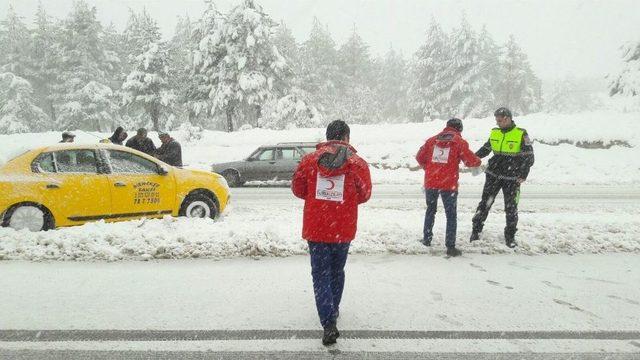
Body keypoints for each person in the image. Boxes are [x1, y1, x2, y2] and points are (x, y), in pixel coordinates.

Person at [291, 119, 372, 346]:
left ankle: (328, 321)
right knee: (337, 271)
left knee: (320, 274)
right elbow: (364, 194)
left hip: (316, 227)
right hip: (343, 228)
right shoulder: (357, 163)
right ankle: (333, 310)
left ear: (328, 137)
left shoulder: (309, 161)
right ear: (346, 137)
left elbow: (298, 189)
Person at [415, 118, 481, 257]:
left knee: (430, 210)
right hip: (448, 184)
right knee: (451, 215)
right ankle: (450, 246)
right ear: (460, 129)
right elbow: (470, 161)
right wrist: (478, 161)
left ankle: (426, 239)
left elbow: (419, 157)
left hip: (431, 182)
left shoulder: (432, 140)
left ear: (447, 127)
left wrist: (429, 168)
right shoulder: (459, 142)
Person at [470, 107, 535, 248]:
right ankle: (476, 231)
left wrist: (523, 175)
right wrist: (472, 158)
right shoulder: (495, 132)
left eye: (499, 120)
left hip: (512, 178)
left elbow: (529, 157)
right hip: (493, 174)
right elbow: (486, 148)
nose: (497, 123)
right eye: (496, 120)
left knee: (511, 208)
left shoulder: (521, 134)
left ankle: (510, 236)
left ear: (507, 118)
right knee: (485, 203)